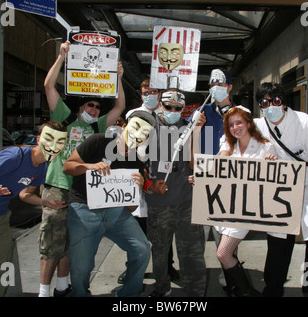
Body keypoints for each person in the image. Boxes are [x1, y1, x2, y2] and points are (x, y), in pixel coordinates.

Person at [38, 40, 126, 297]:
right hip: (56, 187)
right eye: (90, 105)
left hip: (79, 193)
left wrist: (118, 78)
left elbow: (120, 106)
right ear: (79, 107)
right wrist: (62, 57)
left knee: (71, 244)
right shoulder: (63, 115)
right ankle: (44, 292)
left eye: (98, 107)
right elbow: (48, 86)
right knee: (51, 243)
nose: (94, 109)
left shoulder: (97, 126)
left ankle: (63, 286)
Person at [0, 121, 67, 297]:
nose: (53, 146)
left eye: (59, 142)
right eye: (49, 140)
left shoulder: (43, 167)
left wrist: (46, 203)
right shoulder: (15, 156)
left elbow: (24, 195)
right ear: (38, 139)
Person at [252, 82, 308, 297]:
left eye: (276, 101)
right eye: (264, 102)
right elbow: (245, 152)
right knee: (278, 247)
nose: (271, 106)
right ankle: (273, 290)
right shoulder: (259, 126)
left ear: (284, 103)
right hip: (281, 192)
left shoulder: (304, 123)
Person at [62, 111, 155, 297]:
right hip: (84, 209)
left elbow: (131, 208)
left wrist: (135, 189)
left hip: (116, 213)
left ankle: (128, 295)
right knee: (81, 263)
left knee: (142, 249)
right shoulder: (98, 141)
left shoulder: (136, 162)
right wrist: (90, 166)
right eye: (135, 128)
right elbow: (68, 167)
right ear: (124, 126)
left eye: (145, 133)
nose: (138, 135)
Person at [145, 89, 206, 297]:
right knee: (160, 252)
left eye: (178, 108)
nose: (172, 111)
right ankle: (162, 288)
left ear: (183, 109)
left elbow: (193, 163)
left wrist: (196, 131)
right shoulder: (148, 127)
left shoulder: (188, 127)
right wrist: (149, 185)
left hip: (186, 201)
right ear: (160, 105)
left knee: (192, 252)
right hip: (158, 202)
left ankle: (196, 293)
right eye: (168, 106)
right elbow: (136, 164)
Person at [117, 79, 179, 285]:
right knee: (137, 230)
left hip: (159, 178)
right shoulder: (133, 114)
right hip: (138, 175)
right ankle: (134, 269)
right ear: (141, 94)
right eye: (146, 92)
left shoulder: (169, 116)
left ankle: (168, 267)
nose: (150, 95)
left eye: (154, 91)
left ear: (160, 93)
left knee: (164, 229)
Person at [215, 106, 277, 297]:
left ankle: (248, 292)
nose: (235, 127)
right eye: (231, 124)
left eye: (239, 122)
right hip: (224, 207)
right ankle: (236, 290)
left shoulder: (265, 147)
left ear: (249, 123)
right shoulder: (227, 145)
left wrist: (271, 163)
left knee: (223, 254)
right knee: (228, 255)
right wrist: (201, 176)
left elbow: (274, 179)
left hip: (246, 209)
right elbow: (216, 169)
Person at [188, 68, 235, 295]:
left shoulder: (239, 113)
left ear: (230, 87)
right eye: (211, 84)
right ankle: (197, 284)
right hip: (203, 182)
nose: (215, 88)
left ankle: (229, 278)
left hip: (228, 184)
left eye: (220, 84)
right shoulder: (202, 111)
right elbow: (183, 138)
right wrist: (195, 127)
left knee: (225, 238)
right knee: (197, 239)